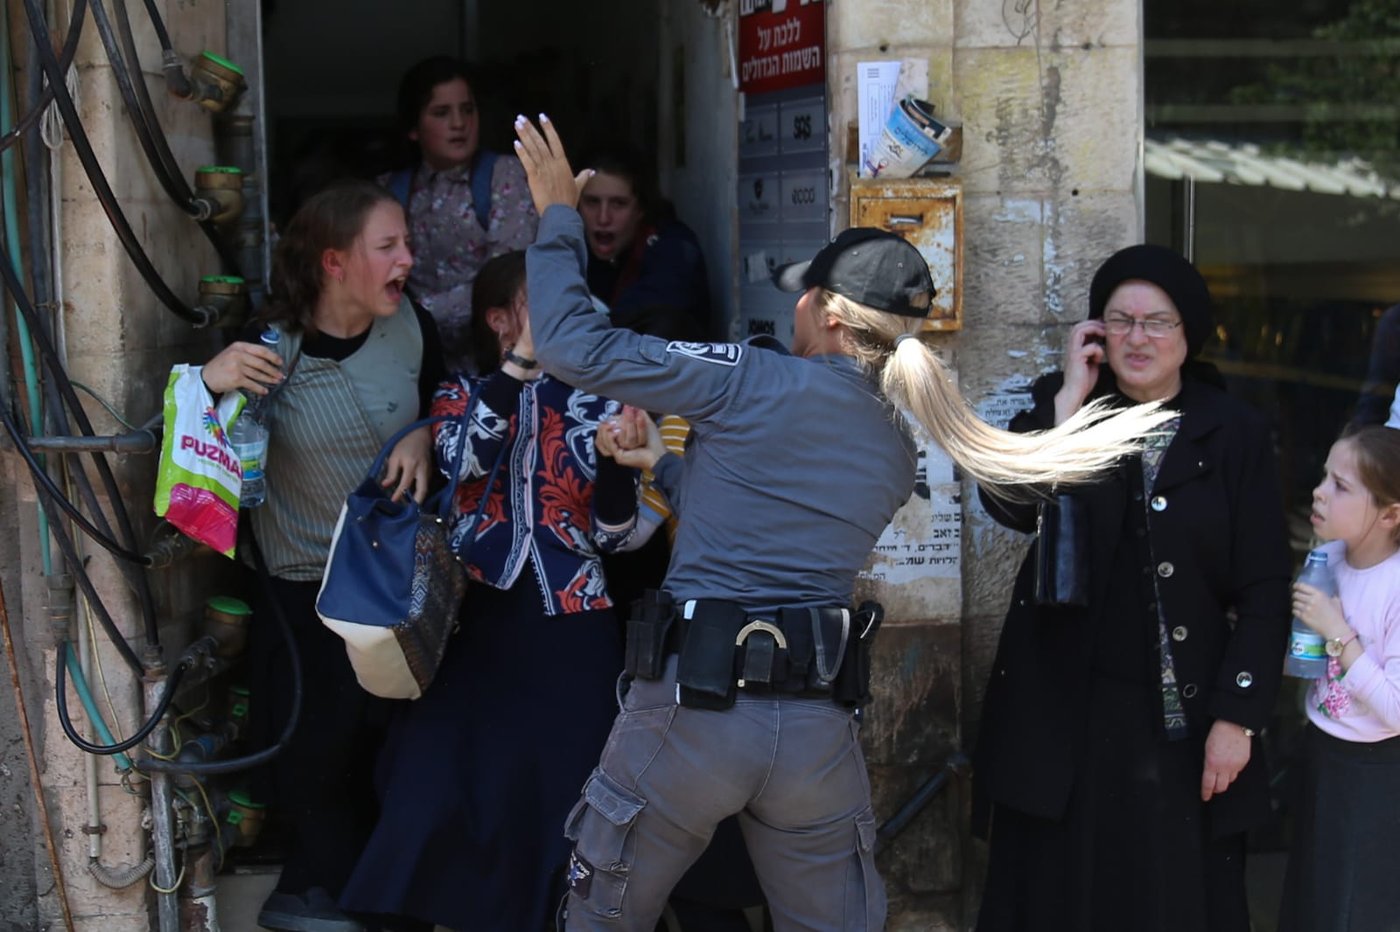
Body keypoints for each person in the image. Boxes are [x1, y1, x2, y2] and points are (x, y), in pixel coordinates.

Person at [511, 115, 1176, 932]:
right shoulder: (897, 445)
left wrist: (558, 219)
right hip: (813, 737)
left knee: (598, 919)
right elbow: (769, 525)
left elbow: (572, 346)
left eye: (804, 292)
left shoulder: (749, 378)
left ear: (827, 311)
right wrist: (666, 467)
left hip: (690, 717)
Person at [971, 244, 1292, 932]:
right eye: (1120, 321)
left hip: (1184, 720)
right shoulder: (1062, 409)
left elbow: (1266, 587)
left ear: (1189, 334)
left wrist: (1238, 717)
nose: (1137, 339)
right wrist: (1067, 409)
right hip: (1069, 719)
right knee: (1061, 897)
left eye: (1158, 323)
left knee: (1173, 898)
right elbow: (1008, 504)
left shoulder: (1233, 432)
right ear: (1095, 332)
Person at [339, 251, 639, 932]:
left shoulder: (604, 401)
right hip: (474, 618)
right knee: (438, 783)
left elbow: (617, 537)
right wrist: (522, 363)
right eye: (543, 298)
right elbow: (462, 458)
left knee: (567, 789)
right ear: (500, 319)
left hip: (573, 621)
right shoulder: (458, 393)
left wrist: (620, 464)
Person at [200, 180, 445, 932]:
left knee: (397, 755)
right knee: (319, 761)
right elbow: (196, 450)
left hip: (397, 592)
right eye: (388, 246)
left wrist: (424, 433)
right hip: (305, 595)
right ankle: (335, 898)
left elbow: (454, 404)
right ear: (334, 262)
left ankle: (384, 899)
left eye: (407, 243)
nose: (408, 259)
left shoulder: (411, 325)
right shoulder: (271, 348)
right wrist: (207, 382)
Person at [1279, 425, 1400, 932]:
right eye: (1325, 477)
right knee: (1309, 898)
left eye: (1341, 486)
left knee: (1354, 910)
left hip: (1376, 772)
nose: (1319, 492)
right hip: (1321, 749)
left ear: (1391, 515)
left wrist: (1338, 633)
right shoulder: (1328, 557)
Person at [380, 56, 539, 371]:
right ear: (413, 128)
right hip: (412, 362)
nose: (459, 123)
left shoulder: (505, 176)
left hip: (493, 361)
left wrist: (414, 314)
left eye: (467, 110)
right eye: (442, 113)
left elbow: (504, 283)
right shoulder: (389, 191)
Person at [579, 151, 712, 338]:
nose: (603, 218)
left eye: (618, 204)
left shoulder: (675, 251)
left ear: (640, 209)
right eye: (592, 202)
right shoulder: (571, 251)